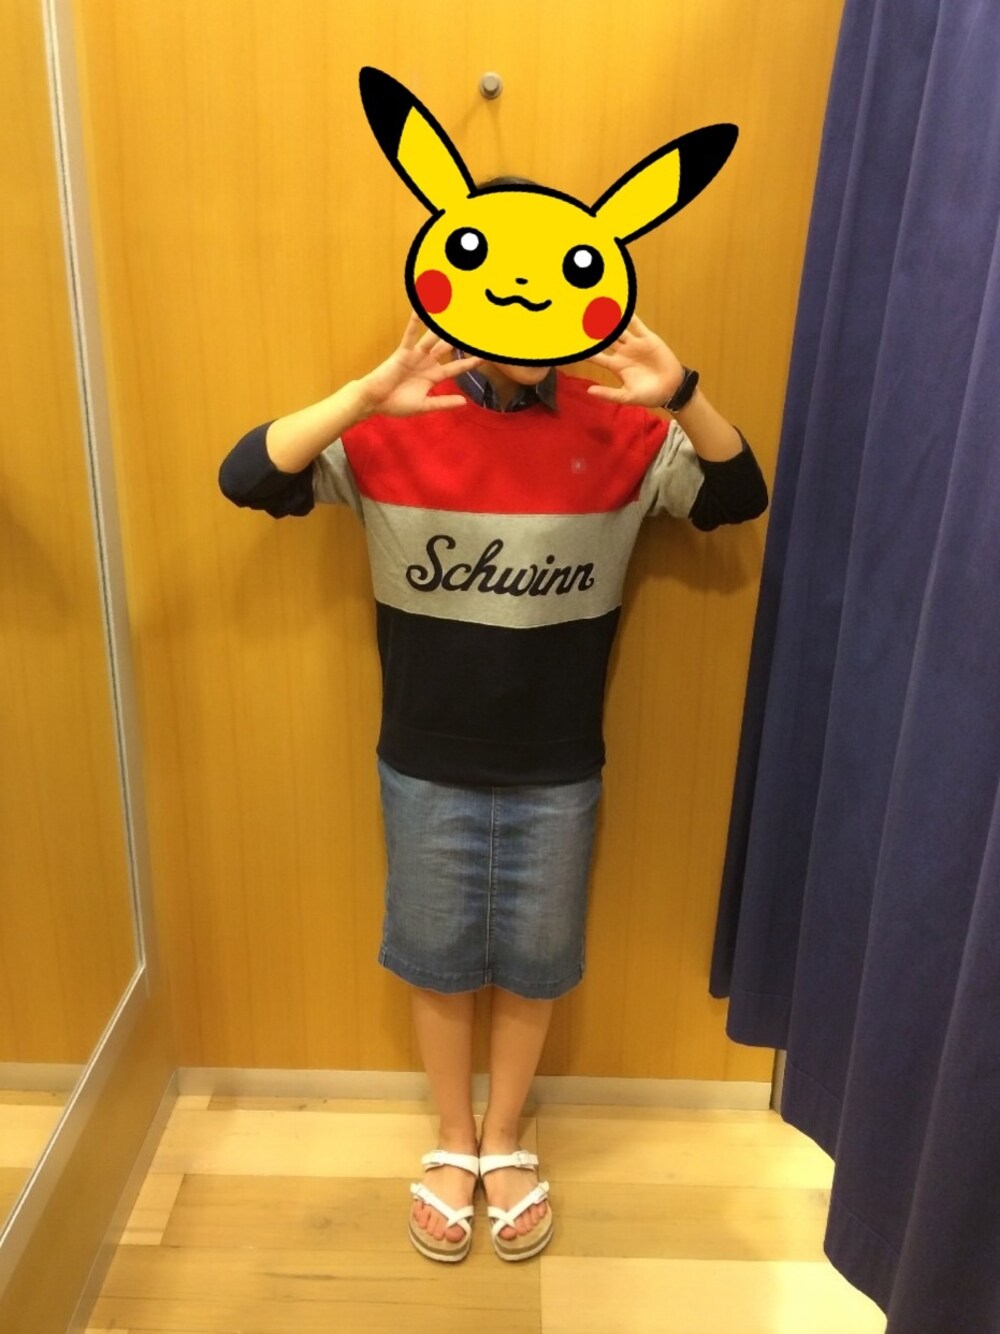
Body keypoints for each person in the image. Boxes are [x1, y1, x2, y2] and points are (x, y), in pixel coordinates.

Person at [218, 305, 768, 1264]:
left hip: (558, 759)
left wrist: (681, 393)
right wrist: (363, 396)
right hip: (424, 757)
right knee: (436, 957)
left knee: (535, 962)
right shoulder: (396, 421)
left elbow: (738, 495)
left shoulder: (626, 427)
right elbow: (248, 477)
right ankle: (453, 1139)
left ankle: (504, 1139)